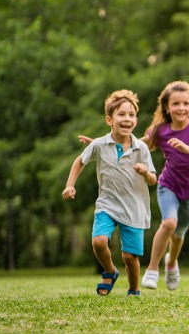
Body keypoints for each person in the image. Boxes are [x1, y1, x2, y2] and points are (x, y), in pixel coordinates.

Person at [63, 89, 157, 296]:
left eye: (131, 115)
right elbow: (80, 161)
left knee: (130, 257)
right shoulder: (99, 144)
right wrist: (70, 185)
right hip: (107, 204)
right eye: (121, 114)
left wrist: (144, 173)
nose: (127, 119)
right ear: (109, 119)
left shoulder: (141, 147)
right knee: (98, 241)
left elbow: (153, 179)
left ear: (136, 120)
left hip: (134, 207)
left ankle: (134, 290)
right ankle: (109, 270)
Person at [139, 80, 189, 291]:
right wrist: (106, 144)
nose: (181, 108)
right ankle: (152, 270)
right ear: (166, 107)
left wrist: (188, 149)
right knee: (169, 223)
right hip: (168, 186)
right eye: (175, 104)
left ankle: (171, 264)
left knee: (179, 234)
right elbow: (138, 144)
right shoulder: (160, 131)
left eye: (185, 103)